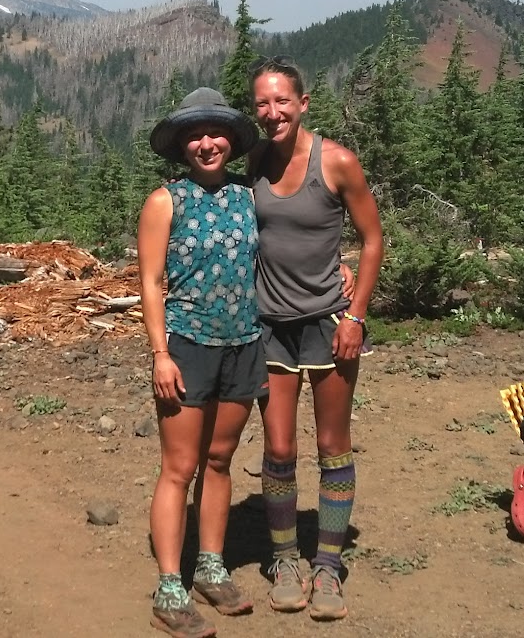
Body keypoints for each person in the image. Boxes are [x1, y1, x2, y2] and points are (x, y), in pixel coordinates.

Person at [247, 57, 383, 622]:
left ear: (303, 104)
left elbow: (372, 239)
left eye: (282, 100)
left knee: (333, 444)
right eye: (262, 103)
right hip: (269, 324)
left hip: (329, 321)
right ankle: (285, 559)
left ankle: (327, 565)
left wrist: (355, 317)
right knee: (279, 448)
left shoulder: (337, 162)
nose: (272, 111)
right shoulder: (254, 161)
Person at [138, 87, 265, 638]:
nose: (207, 143)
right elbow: (151, 282)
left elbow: (286, 250)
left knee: (219, 460)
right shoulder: (165, 201)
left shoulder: (249, 196)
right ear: (182, 146)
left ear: (232, 141)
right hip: (187, 345)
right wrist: (160, 354)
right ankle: (171, 588)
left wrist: (340, 270)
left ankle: (211, 566)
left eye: (216, 134)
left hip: (244, 344)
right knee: (179, 467)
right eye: (195, 135)